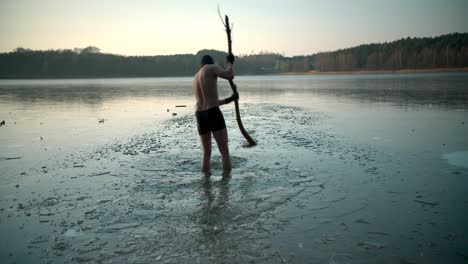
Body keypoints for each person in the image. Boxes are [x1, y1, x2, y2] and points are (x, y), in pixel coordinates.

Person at [193, 54, 238, 174]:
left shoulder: (196, 78)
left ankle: (206, 183)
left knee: (206, 154)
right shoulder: (211, 68)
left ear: (201, 64)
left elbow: (209, 100)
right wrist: (230, 62)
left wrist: (230, 99)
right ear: (211, 62)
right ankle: (226, 185)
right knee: (224, 151)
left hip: (200, 115)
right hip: (212, 113)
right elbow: (229, 75)